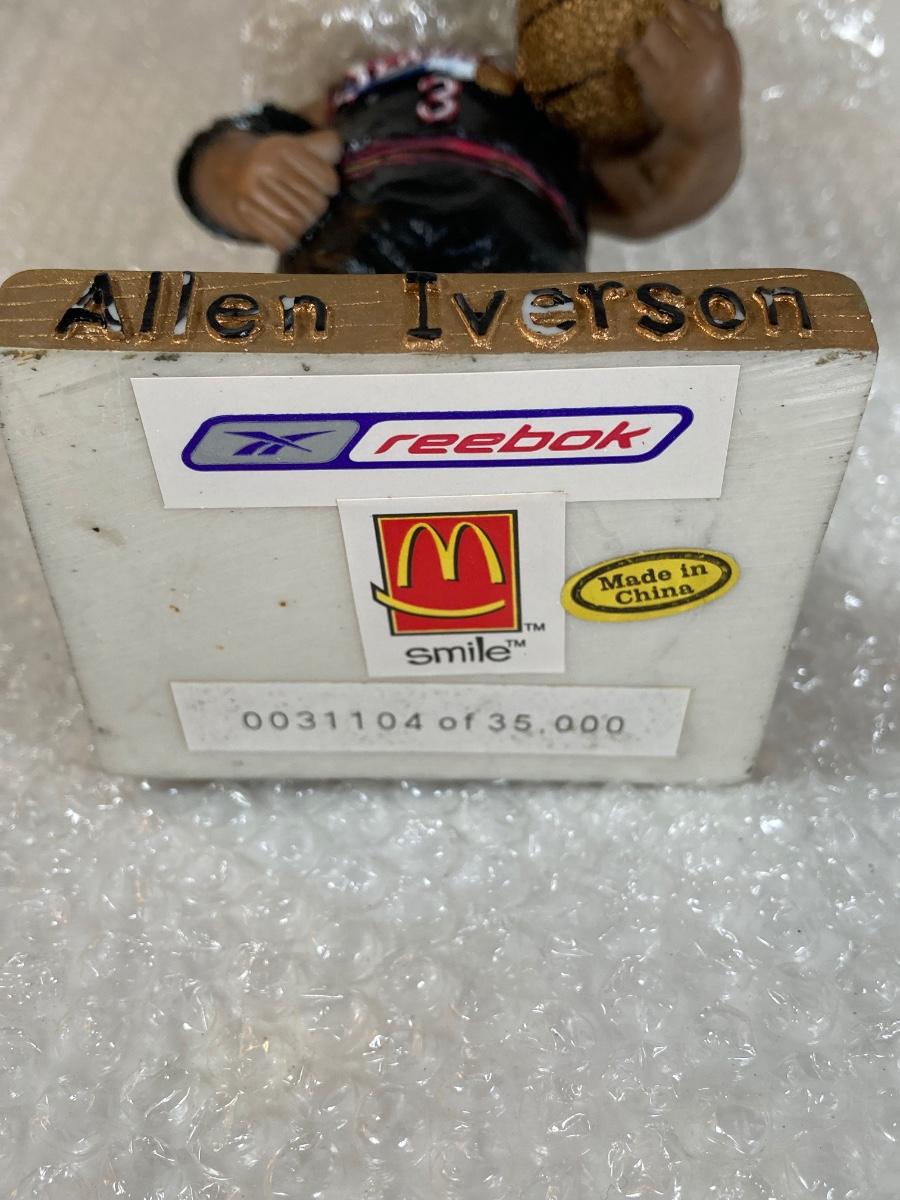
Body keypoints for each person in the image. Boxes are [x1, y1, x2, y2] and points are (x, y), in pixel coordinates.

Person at [178, 0, 741, 274]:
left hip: (520, 266)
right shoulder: (338, 84)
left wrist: (704, 129)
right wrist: (238, 173)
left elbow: (644, 198)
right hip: (349, 255)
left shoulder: (564, 97)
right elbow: (219, 150)